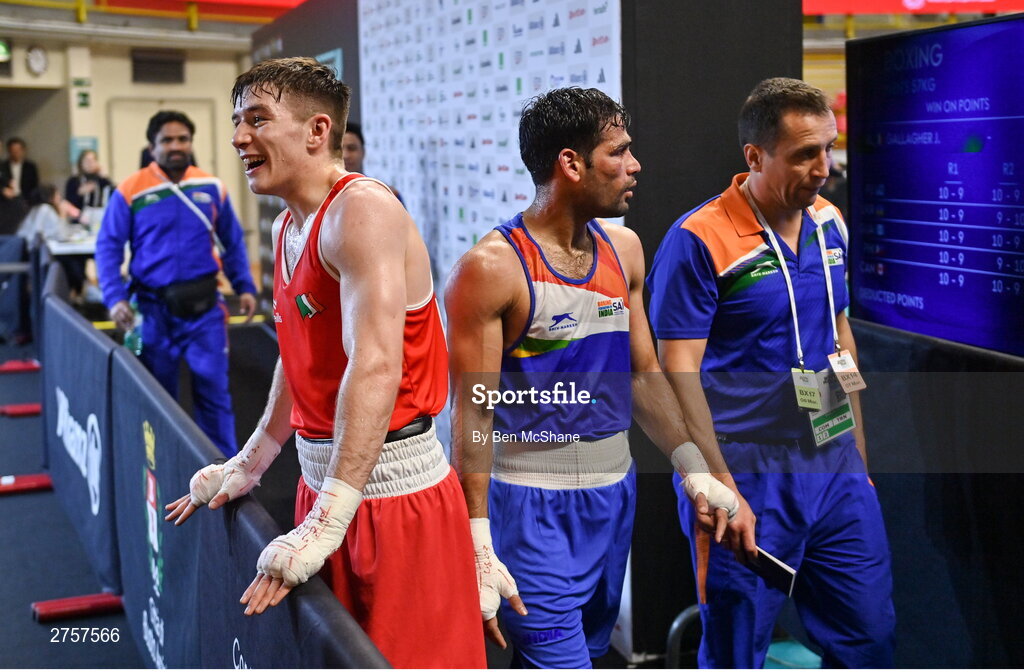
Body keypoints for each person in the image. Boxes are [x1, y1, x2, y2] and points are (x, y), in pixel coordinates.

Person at [163, 57, 485, 669]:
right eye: (237, 123)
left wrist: (329, 517)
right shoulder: (291, 225)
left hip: (393, 500)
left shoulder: (361, 211)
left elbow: (375, 366)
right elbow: (300, 355)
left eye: (257, 119)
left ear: (316, 131)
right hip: (330, 485)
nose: (237, 139)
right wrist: (253, 460)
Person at [445, 87, 756, 669]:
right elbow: (475, 411)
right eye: (619, 152)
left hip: (614, 496)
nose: (635, 165)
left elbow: (642, 373)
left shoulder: (627, 250)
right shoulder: (492, 268)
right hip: (527, 506)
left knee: (591, 650)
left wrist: (695, 470)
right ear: (571, 163)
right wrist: (479, 539)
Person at [647, 77, 895, 668]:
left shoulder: (830, 221)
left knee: (870, 638)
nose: (823, 167)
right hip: (748, 472)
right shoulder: (699, 239)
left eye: (829, 148)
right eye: (805, 154)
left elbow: (841, 337)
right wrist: (721, 485)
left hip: (833, 464)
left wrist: (858, 459)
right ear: (755, 156)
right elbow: (675, 370)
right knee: (738, 650)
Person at [95, 110, 256, 457]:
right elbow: (108, 245)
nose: (176, 146)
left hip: (205, 313)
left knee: (215, 395)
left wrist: (245, 286)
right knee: (158, 399)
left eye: (182, 139)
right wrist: (115, 297)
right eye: (167, 140)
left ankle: (223, 469)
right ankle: (159, 466)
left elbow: (231, 242)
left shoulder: (212, 187)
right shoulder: (131, 190)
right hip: (154, 313)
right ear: (152, 147)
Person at [342, 122, 402, 203]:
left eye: (352, 148)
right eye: (339, 149)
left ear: (363, 152)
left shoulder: (387, 194)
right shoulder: (322, 196)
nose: (345, 155)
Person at [0, 138, 40, 233]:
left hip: (25, 202)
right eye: (13, 151)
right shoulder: (3, 166)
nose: (16, 153)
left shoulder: (30, 167)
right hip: (6, 206)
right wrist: (3, 190)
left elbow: (34, 185)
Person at [64, 149, 114, 217]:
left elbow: (114, 191)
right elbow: (67, 203)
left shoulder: (101, 180)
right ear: (81, 163)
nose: (90, 164)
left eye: (93, 161)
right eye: (87, 161)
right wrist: (79, 193)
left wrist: (105, 177)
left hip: (98, 215)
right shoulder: (73, 181)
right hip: (79, 217)